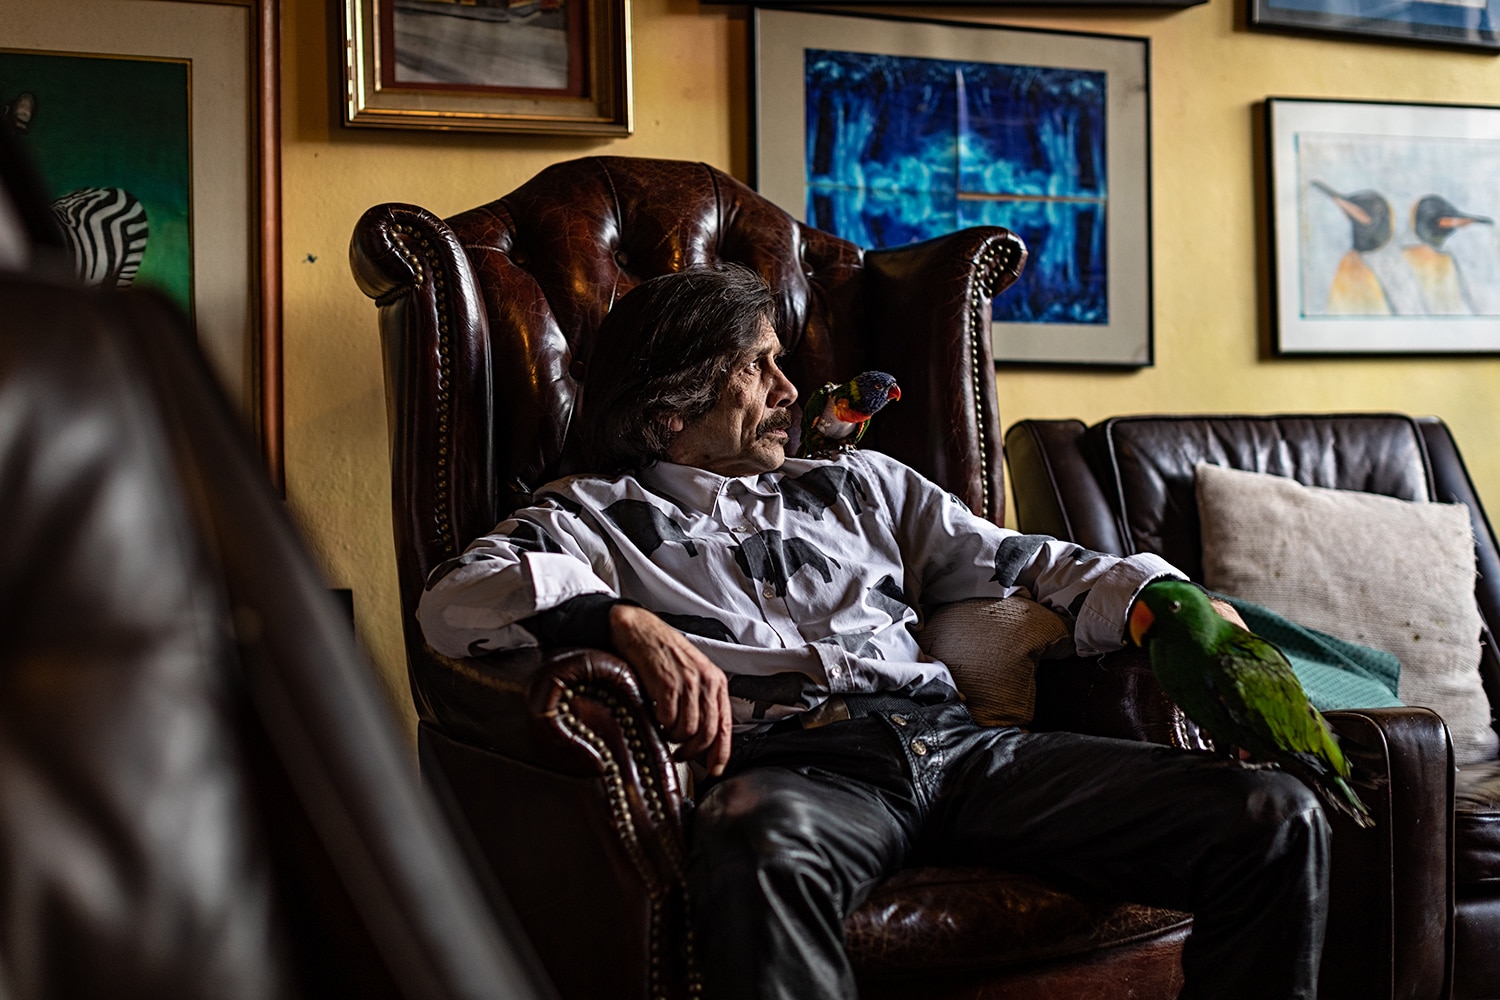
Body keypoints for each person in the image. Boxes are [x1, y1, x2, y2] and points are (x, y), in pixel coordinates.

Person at [418, 264, 1330, 1000]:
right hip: (802, 771)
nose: (791, 389)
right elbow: (454, 601)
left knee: (1272, 815)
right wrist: (615, 619)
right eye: (758, 367)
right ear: (672, 410)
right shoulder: (595, 517)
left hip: (964, 753)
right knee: (753, 842)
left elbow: (1030, 562)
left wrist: (1170, 606)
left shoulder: (862, 485)